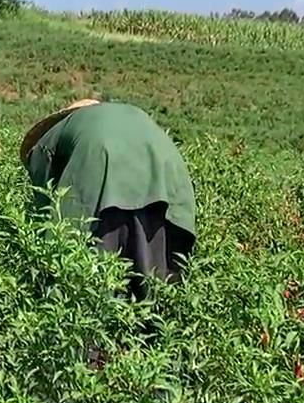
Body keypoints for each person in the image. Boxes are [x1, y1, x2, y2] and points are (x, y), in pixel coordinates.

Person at [20, 99, 197, 301]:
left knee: (88, 288)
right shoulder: (132, 116)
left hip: (99, 162)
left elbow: (45, 206)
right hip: (167, 172)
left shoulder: (48, 139)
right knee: (152, 285)